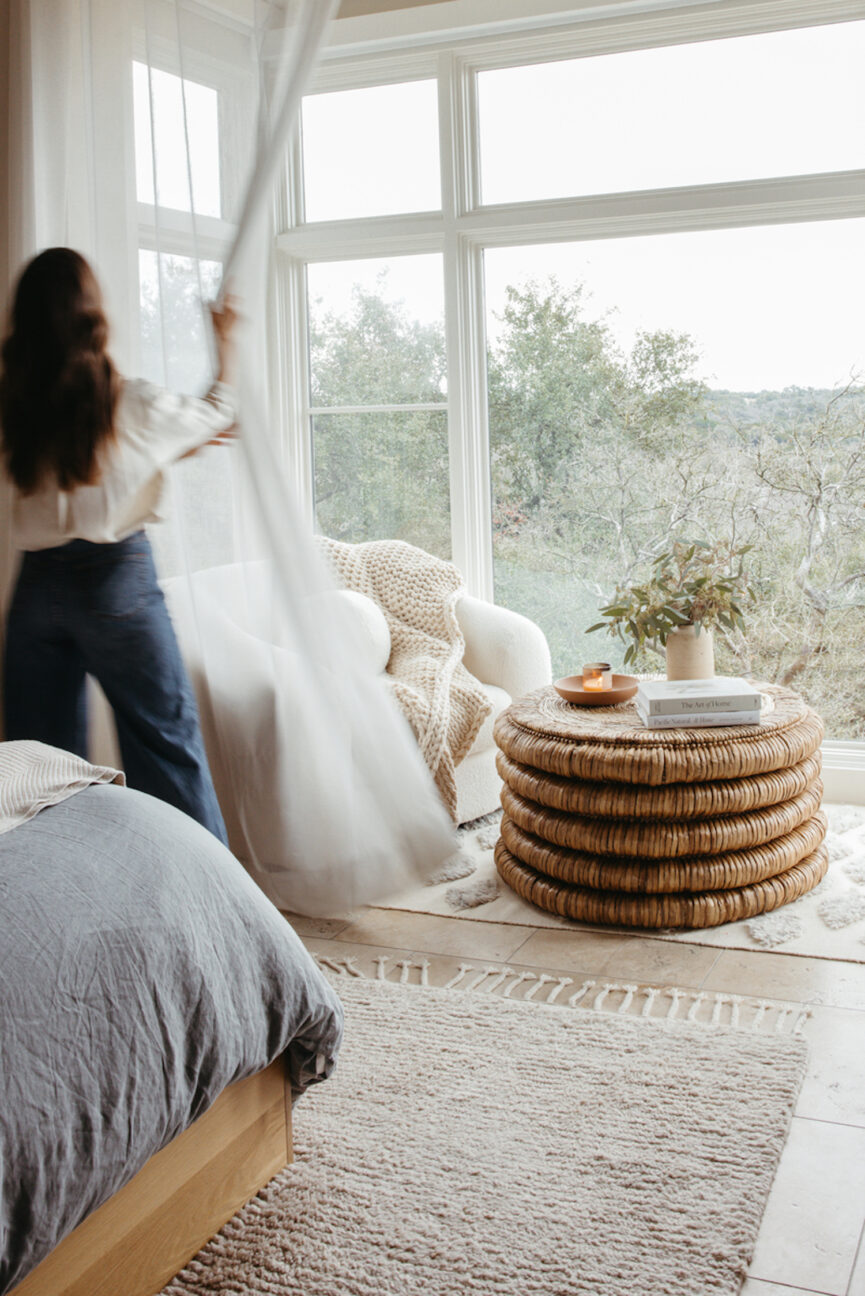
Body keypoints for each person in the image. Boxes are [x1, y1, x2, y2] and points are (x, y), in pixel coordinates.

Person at [0, 246, 237, 844]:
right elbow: (219, 413)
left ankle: (56, 915)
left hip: (36, 591)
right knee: (166, 748)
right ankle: (201, 914)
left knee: (39, 775)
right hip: (116, 583)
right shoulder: (128, 402)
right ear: (92, 316)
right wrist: (224, 340)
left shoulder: (14, 408)